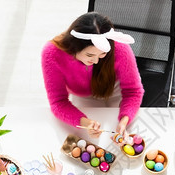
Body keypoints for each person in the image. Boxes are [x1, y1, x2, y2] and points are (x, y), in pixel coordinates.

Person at [41, 12, 144, 140]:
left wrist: (124, 121)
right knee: (90, 139)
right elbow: (58, 102)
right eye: (90, 55)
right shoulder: (52, 54)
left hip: (115, 90)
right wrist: (86, 124)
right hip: (83, 96)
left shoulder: (120, 47)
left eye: (102, 54)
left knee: (123, 136)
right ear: (74, 47)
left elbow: (133, 92)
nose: (96, 62)